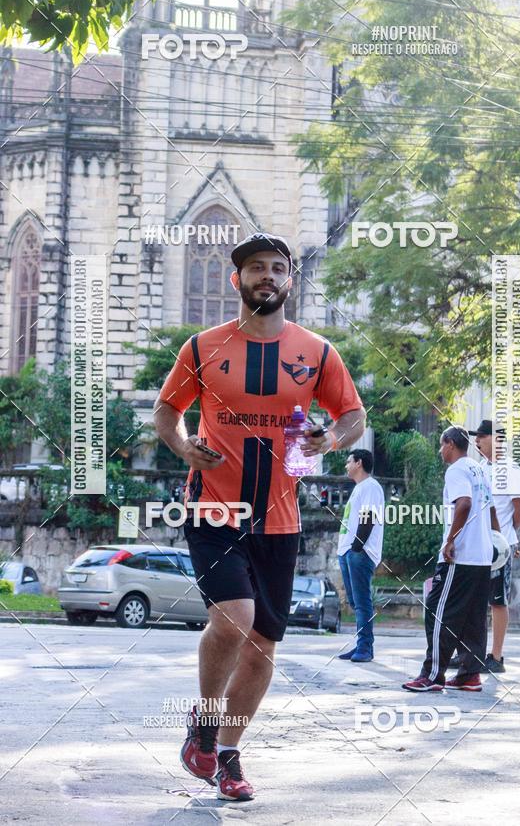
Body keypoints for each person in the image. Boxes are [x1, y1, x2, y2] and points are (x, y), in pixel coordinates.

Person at [154, 231, 366, 802]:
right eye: (255, 268)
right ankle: (203, 720)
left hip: (281, 518)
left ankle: (224, 754)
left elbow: (352, 415)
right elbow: (166, 413)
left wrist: (330, 439)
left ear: (289, 280)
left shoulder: (317, 352)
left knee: (264, 646)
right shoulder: (202, 348)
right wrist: (181, 447)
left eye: (277, 267)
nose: (266, 276)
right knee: (234, 620)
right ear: (237, 280)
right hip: (214, 507)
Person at [402, 426, 500, 693]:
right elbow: (491, 508)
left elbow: (465, 503)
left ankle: (432, 675)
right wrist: (497, 542)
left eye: (440, 445)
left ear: (449, 444)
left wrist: (450, 540)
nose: (439, 450)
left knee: (437, 612)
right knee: (473, 618)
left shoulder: (456, 470)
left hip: (461, 556)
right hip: (482, 557)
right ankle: (469, 674)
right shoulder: (479, 469)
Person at [469, 419, 520, 673]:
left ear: (496, 439)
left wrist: (507, 537)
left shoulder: (509, 469)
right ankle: (473, 652)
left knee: (498, 601)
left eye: (481, 436)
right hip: (479, 544)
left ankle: (497, 656)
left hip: (500, 549)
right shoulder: (481, 467)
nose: (477, 440)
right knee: (476, 600)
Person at [337, 449, 385, 663]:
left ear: (359, 463)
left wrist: (357, 548)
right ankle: (360, 643)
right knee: (356, 602)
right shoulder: (359, 488)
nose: (346, 465)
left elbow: (368, 517)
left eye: (349, 461)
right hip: (348, 551)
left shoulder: (371, 487)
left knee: (362, 601)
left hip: (360, 553)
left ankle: (365, 647)